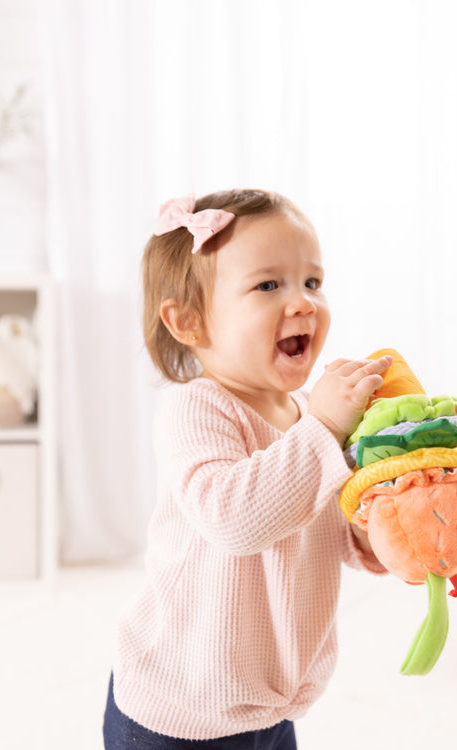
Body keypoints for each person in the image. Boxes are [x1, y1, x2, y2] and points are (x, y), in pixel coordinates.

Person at [104, 189, 392, 749]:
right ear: (189, 323)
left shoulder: (311, 418)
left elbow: (336, 530)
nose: (304, 302)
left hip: (267, 705)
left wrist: (386, 522)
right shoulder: (197, 410)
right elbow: (236, 520)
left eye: (312, 282)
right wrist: (328, 430)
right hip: (175, 710)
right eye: (268, 285)